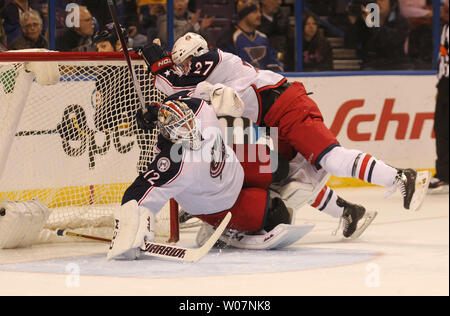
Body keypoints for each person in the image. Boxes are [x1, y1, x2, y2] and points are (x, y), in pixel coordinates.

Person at [138, 32, 431, 229]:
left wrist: (159, 66)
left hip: (287, 106)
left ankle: (401, 177)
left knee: (332, 159)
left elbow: (179, 85)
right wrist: (157, 109)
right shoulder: (203, 77)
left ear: (197, 52)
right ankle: (348, 213)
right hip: (268, 122)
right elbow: (184, 97)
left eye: (185, 62)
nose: (184, 68)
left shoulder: (213, 58)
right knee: (289, 178)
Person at [107, 92, 303, 260]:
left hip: (235, 163)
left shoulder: (201, 109)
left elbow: (182, 95)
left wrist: (157, 109)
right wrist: (128, 232)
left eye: (188, 122)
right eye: (180, 129)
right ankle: (217, 228)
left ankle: (263, 187)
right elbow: (140, 191)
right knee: (279, 216)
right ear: (169, 134)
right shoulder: (171, 163)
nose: (189, 130)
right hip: (219, 204)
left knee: (281, 165)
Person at [216, 0, 283, 72]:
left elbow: (274, 63)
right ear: (244, 15)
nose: (259, 15)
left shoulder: (263, 38)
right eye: (255, 12)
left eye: (259, 12)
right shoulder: (229, 39)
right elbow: (225, 67)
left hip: (264, 81)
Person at [345, 0, 411, 70]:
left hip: (395, 69)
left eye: (382, 0)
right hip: (370, 69)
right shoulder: (367, 21)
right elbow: (349, 44)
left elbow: (387, 42)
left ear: (391, 3)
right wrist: (353, 22)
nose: (377, 2)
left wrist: (371, 23)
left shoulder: (402, 23)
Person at [429, 20, 449, 194]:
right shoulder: (445, 27)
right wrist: (440, 84)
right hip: (445, 85)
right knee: (441, 129)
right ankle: (444, 172)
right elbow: (442, 59)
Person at [258, 0, 295, 71]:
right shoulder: (254, 20)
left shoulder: (283, 17)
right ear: (264, 1)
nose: (279, 2)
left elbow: (291, 40)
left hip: (283, 62)